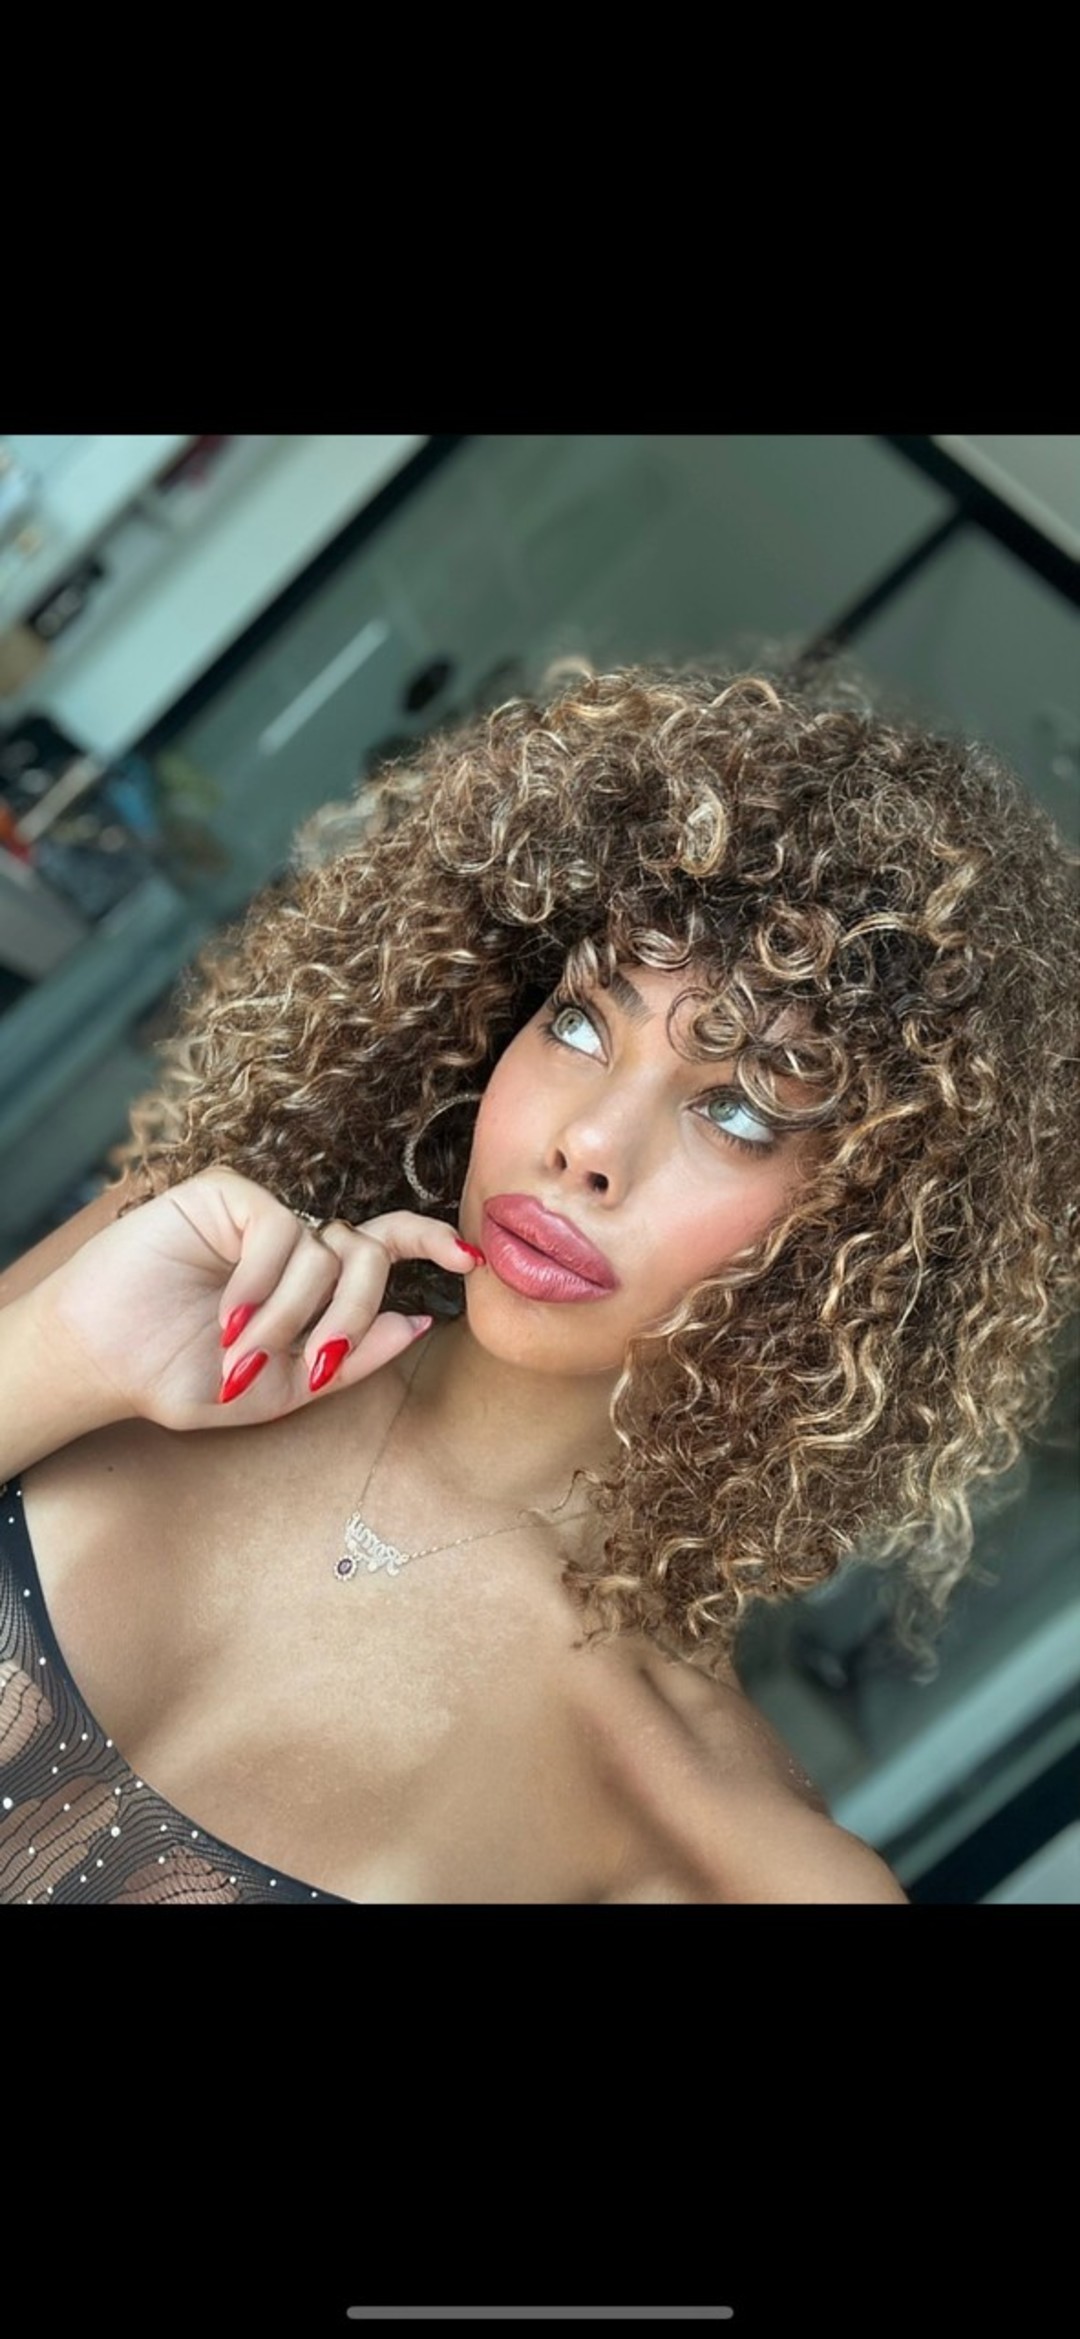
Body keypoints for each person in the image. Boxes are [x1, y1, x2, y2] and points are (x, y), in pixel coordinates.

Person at [1, 660, 1075, 1905]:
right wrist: (55, 1361)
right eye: (579, 1025)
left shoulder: (723, 1853)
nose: (589, 1145)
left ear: (878, 1237)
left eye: (736, 1110)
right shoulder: (164, 1281)